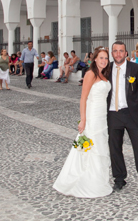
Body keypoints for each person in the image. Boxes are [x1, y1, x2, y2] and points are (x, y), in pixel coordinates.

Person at [53, 47, 113, 198]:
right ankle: (86, 181)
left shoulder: (104, 74)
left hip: (102, 116)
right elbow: (83, 98)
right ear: (95, 59)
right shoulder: (90, 74)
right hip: (92, 115)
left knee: (100, 145)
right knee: (90, 147)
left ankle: (98, 180)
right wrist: (83, 119)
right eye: (101, 58)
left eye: (106, 58)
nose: (104, 61)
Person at [107, 41, 138, 191]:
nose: (119, 54)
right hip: (113, 114)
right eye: (115, 51)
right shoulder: (106, 69)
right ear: (112, 53)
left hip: (132, 114)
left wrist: (135, 106)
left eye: (121, 51)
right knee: (115, 148)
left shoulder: (136, 68)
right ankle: (119, 178)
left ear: (126, 53)